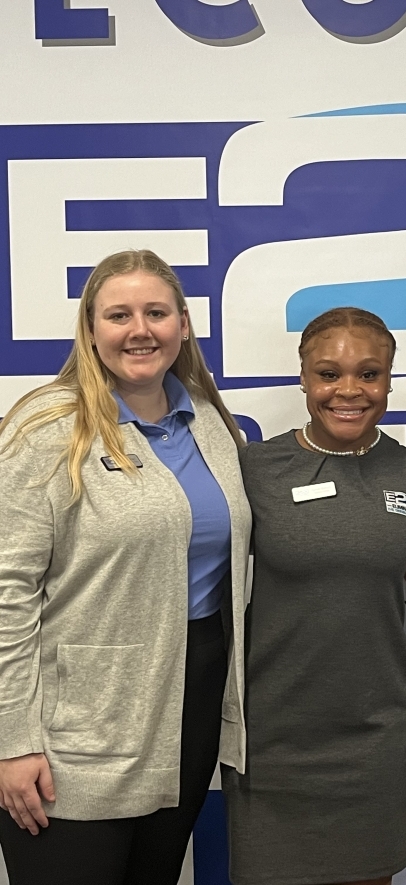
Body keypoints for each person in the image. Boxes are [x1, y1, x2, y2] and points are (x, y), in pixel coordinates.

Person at [0, 249, 252, 885]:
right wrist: (12, 741)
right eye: (119, 315)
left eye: (156, 312)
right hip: (77, 726)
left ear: (184, 324)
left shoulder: (210, 423)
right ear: (91, 329)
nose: (140, 329)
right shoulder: (48, 428)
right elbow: (6, 592)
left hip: (187, 707)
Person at [223, 307, 406, 885]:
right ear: (303, 378)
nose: (349, 390)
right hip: (275, 737)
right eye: (329, 374)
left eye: (369, 374)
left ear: (390, 380)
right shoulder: (255, 469)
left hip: (375, 733)